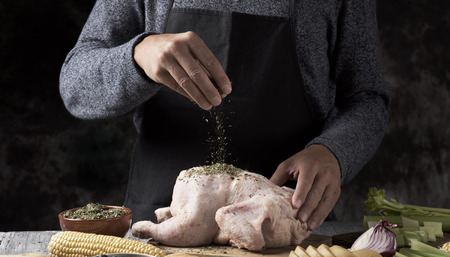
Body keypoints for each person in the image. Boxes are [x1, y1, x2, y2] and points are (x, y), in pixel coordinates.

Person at [60, 0, 390, 231]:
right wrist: (137, 55)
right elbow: (75, 84)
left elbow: (366, 96)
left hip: (285, 224)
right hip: (163, 225)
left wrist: (332, 151)